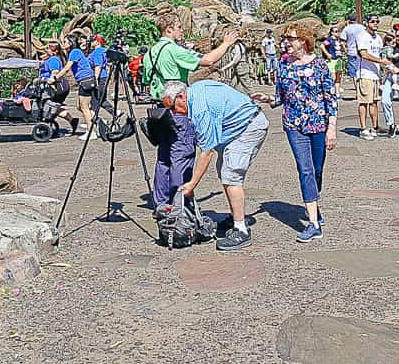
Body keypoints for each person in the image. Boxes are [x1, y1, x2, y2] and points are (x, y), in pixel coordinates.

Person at [143, 14, 240, 215]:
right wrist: (226, 44)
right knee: (182, 156)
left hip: (158, 109)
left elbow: (146, 79)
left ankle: (161, 202)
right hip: (178, 107)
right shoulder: (173, 49)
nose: (181, 31)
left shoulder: (150, 53)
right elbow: (207, 60)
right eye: (178, 27)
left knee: (163, 158)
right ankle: (180, 202)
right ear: (168, 29)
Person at [164, 77, 269, 252]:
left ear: (181, 96)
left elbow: (207, 152)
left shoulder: (199, 109)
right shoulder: (195, 90)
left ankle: (241, 230)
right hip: (242, 125)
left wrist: (191, 184)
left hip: (248, 127)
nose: (174, 113)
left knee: (231, 176)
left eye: (173, 107)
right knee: (225, 172)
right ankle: (236, 216)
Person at [256, 23, 337, 241]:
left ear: (303, 40)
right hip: (294, 126)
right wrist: (268, 100)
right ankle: (312, 224)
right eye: (285, 38)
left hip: (318, 124)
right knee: (306, 169)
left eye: (290, 38)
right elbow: (281, 97)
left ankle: (314, 204)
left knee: (317, 170)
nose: (285, 43)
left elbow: (331, 98)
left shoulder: (320, 65)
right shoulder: (284, 66)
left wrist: (332, 128)